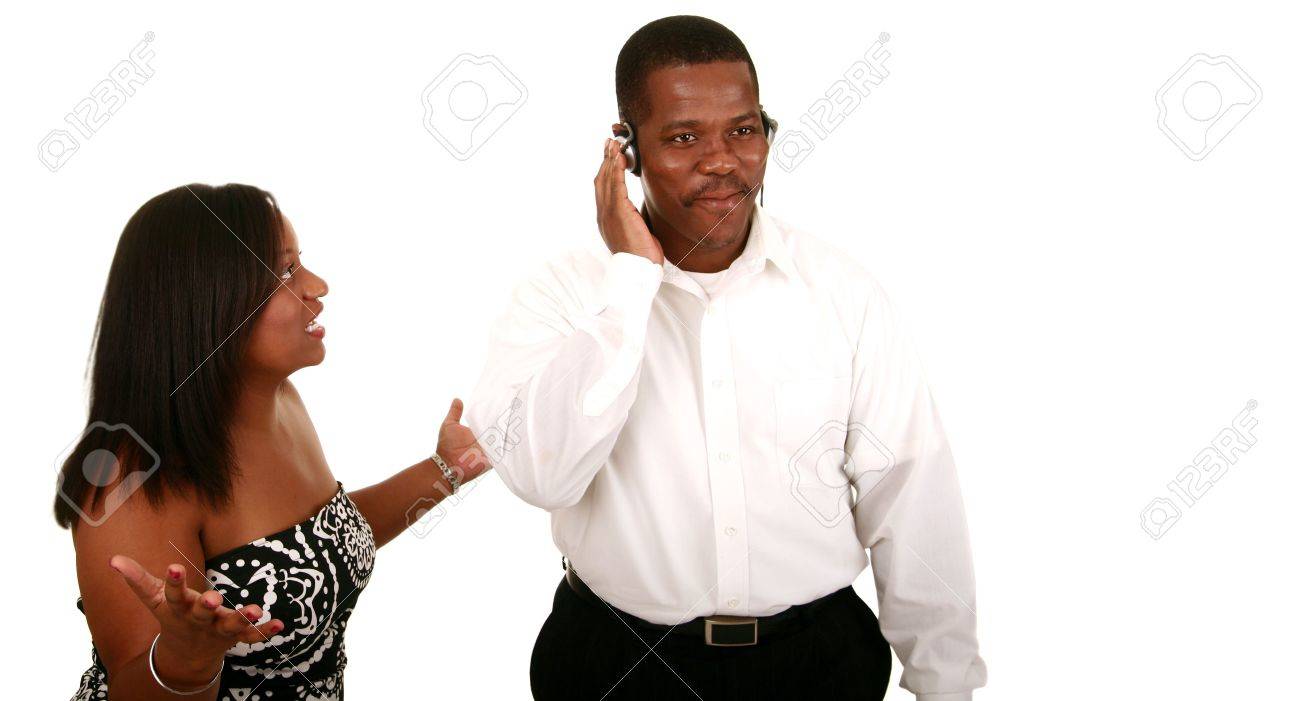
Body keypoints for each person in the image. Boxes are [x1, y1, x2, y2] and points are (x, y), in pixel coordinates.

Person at [466, 15, 987, 700]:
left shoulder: (843, 292)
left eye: (743, 130)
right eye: (684, 137)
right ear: (624, 153)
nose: (722, 160)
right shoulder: (562, 295)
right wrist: (630, 281)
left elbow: (912, 500)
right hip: (616, 664)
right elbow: (543, 474)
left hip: (819, 664)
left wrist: (944, 685)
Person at [58, 183, 488, 700]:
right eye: (284, 271)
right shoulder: (130, 482)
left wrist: (446, 470)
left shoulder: (279, 400)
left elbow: (321, 545)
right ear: (206, 302)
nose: (318, 285)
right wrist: (185, 661)